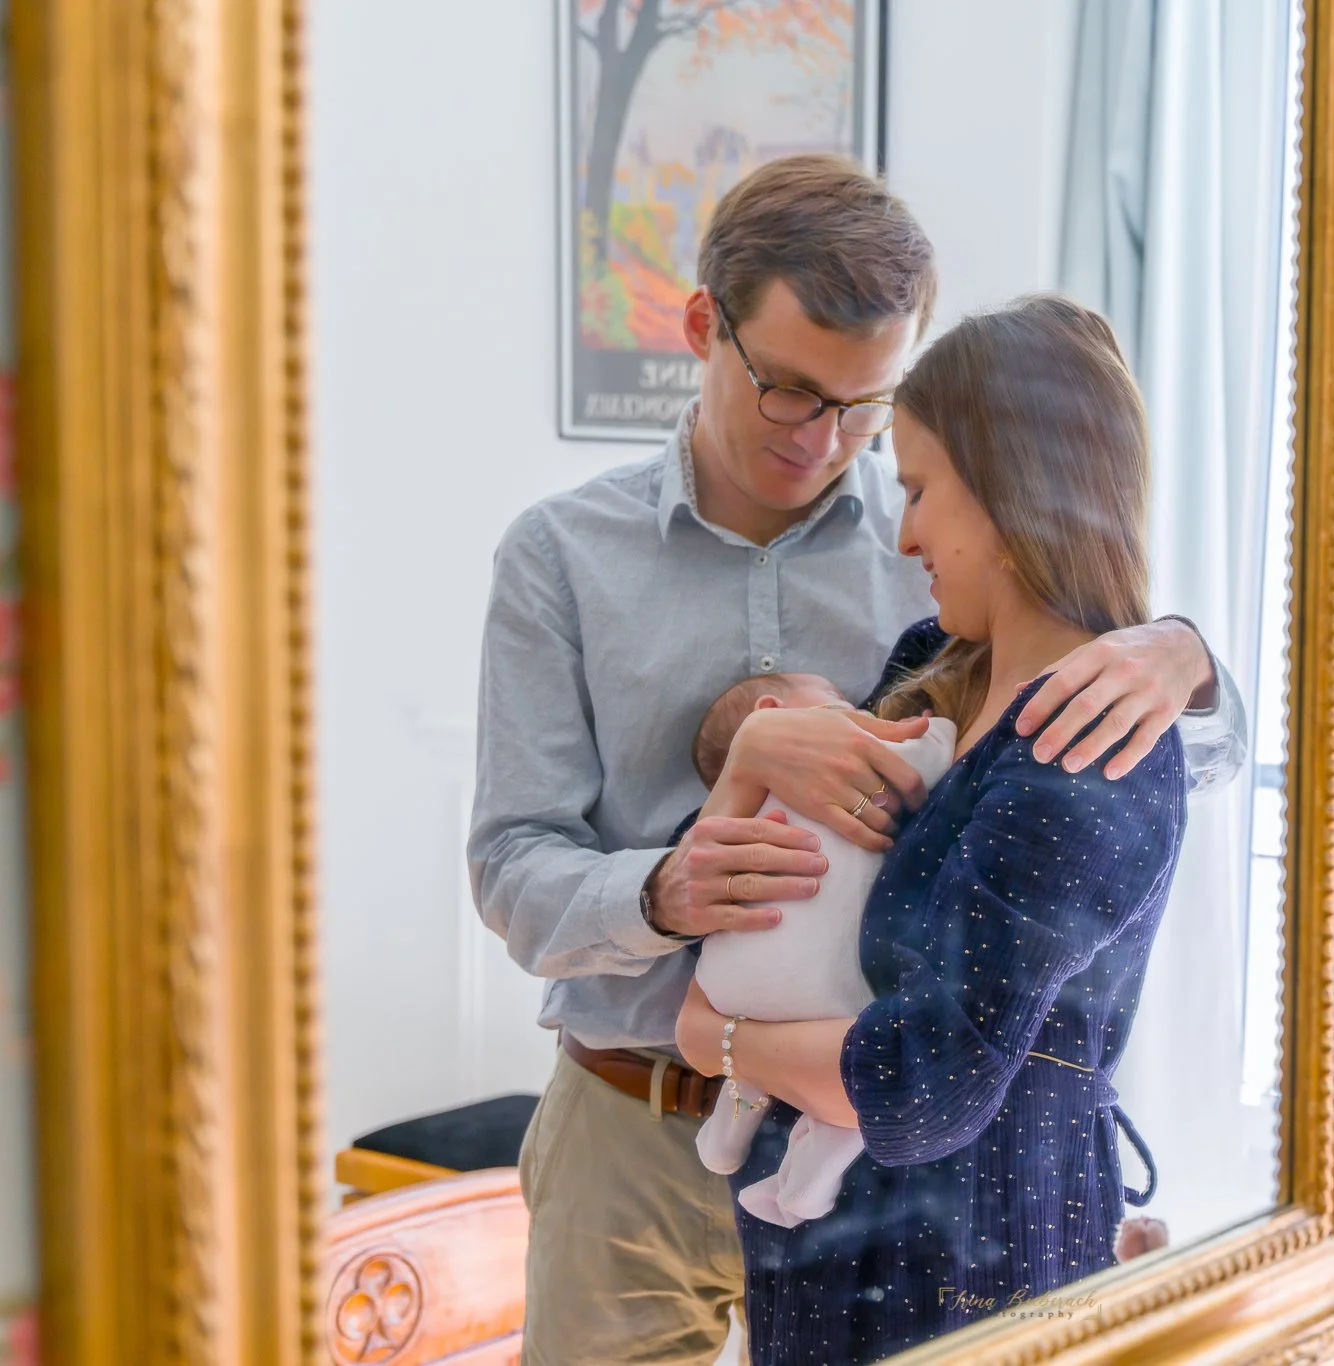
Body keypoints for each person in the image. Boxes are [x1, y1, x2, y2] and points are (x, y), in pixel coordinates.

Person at [467, 155, 1246, 1365]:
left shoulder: (943, 539)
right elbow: (512, 868)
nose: (825, 440)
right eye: (788, 391)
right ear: (699, 329)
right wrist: (668, 893)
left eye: (863, 404)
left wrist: (1184, 655)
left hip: (873, 1149)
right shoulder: (559, 558)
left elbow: (1131, 778)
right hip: (630, 1131)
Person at [675, 295, 1187, 1364]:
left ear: (1009, 491)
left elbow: (925, 1081)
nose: (903, 530)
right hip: (844, 1253)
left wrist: (716, 1040)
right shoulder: (933, 661)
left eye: (917, 490)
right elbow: (807, 857)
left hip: (969, 1272)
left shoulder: (1086, 746)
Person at [685, 672, 957, 1230]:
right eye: (834, 698)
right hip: (820, 985)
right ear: (769, 711)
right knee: (859, 1077)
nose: (849, 706)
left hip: (727, 982)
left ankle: (722, 1140)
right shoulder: (832, 752)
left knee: (751, 1062)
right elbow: (920, 762)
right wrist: (941, 734)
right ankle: (807, 1187)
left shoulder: (742, 801)